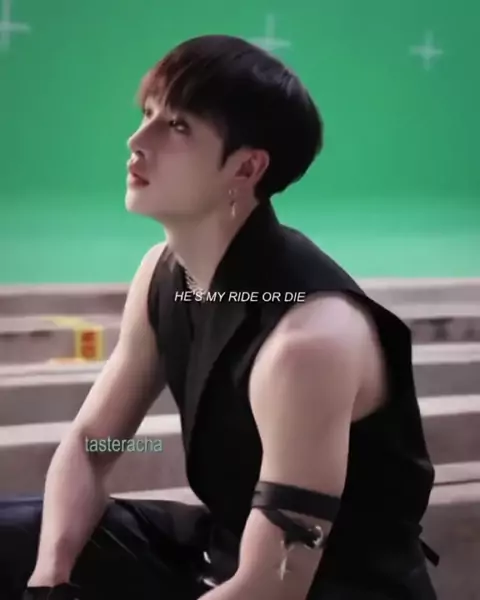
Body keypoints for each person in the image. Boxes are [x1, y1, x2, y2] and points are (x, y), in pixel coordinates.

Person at [0, 35, 439, 599]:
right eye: (147, 114)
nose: (137, 141)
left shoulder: (308, 344)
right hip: (221, 552)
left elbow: (273, 586)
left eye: (177, 126)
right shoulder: (164, 274)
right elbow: (94, 447)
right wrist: (49, 581)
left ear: (247, 167)